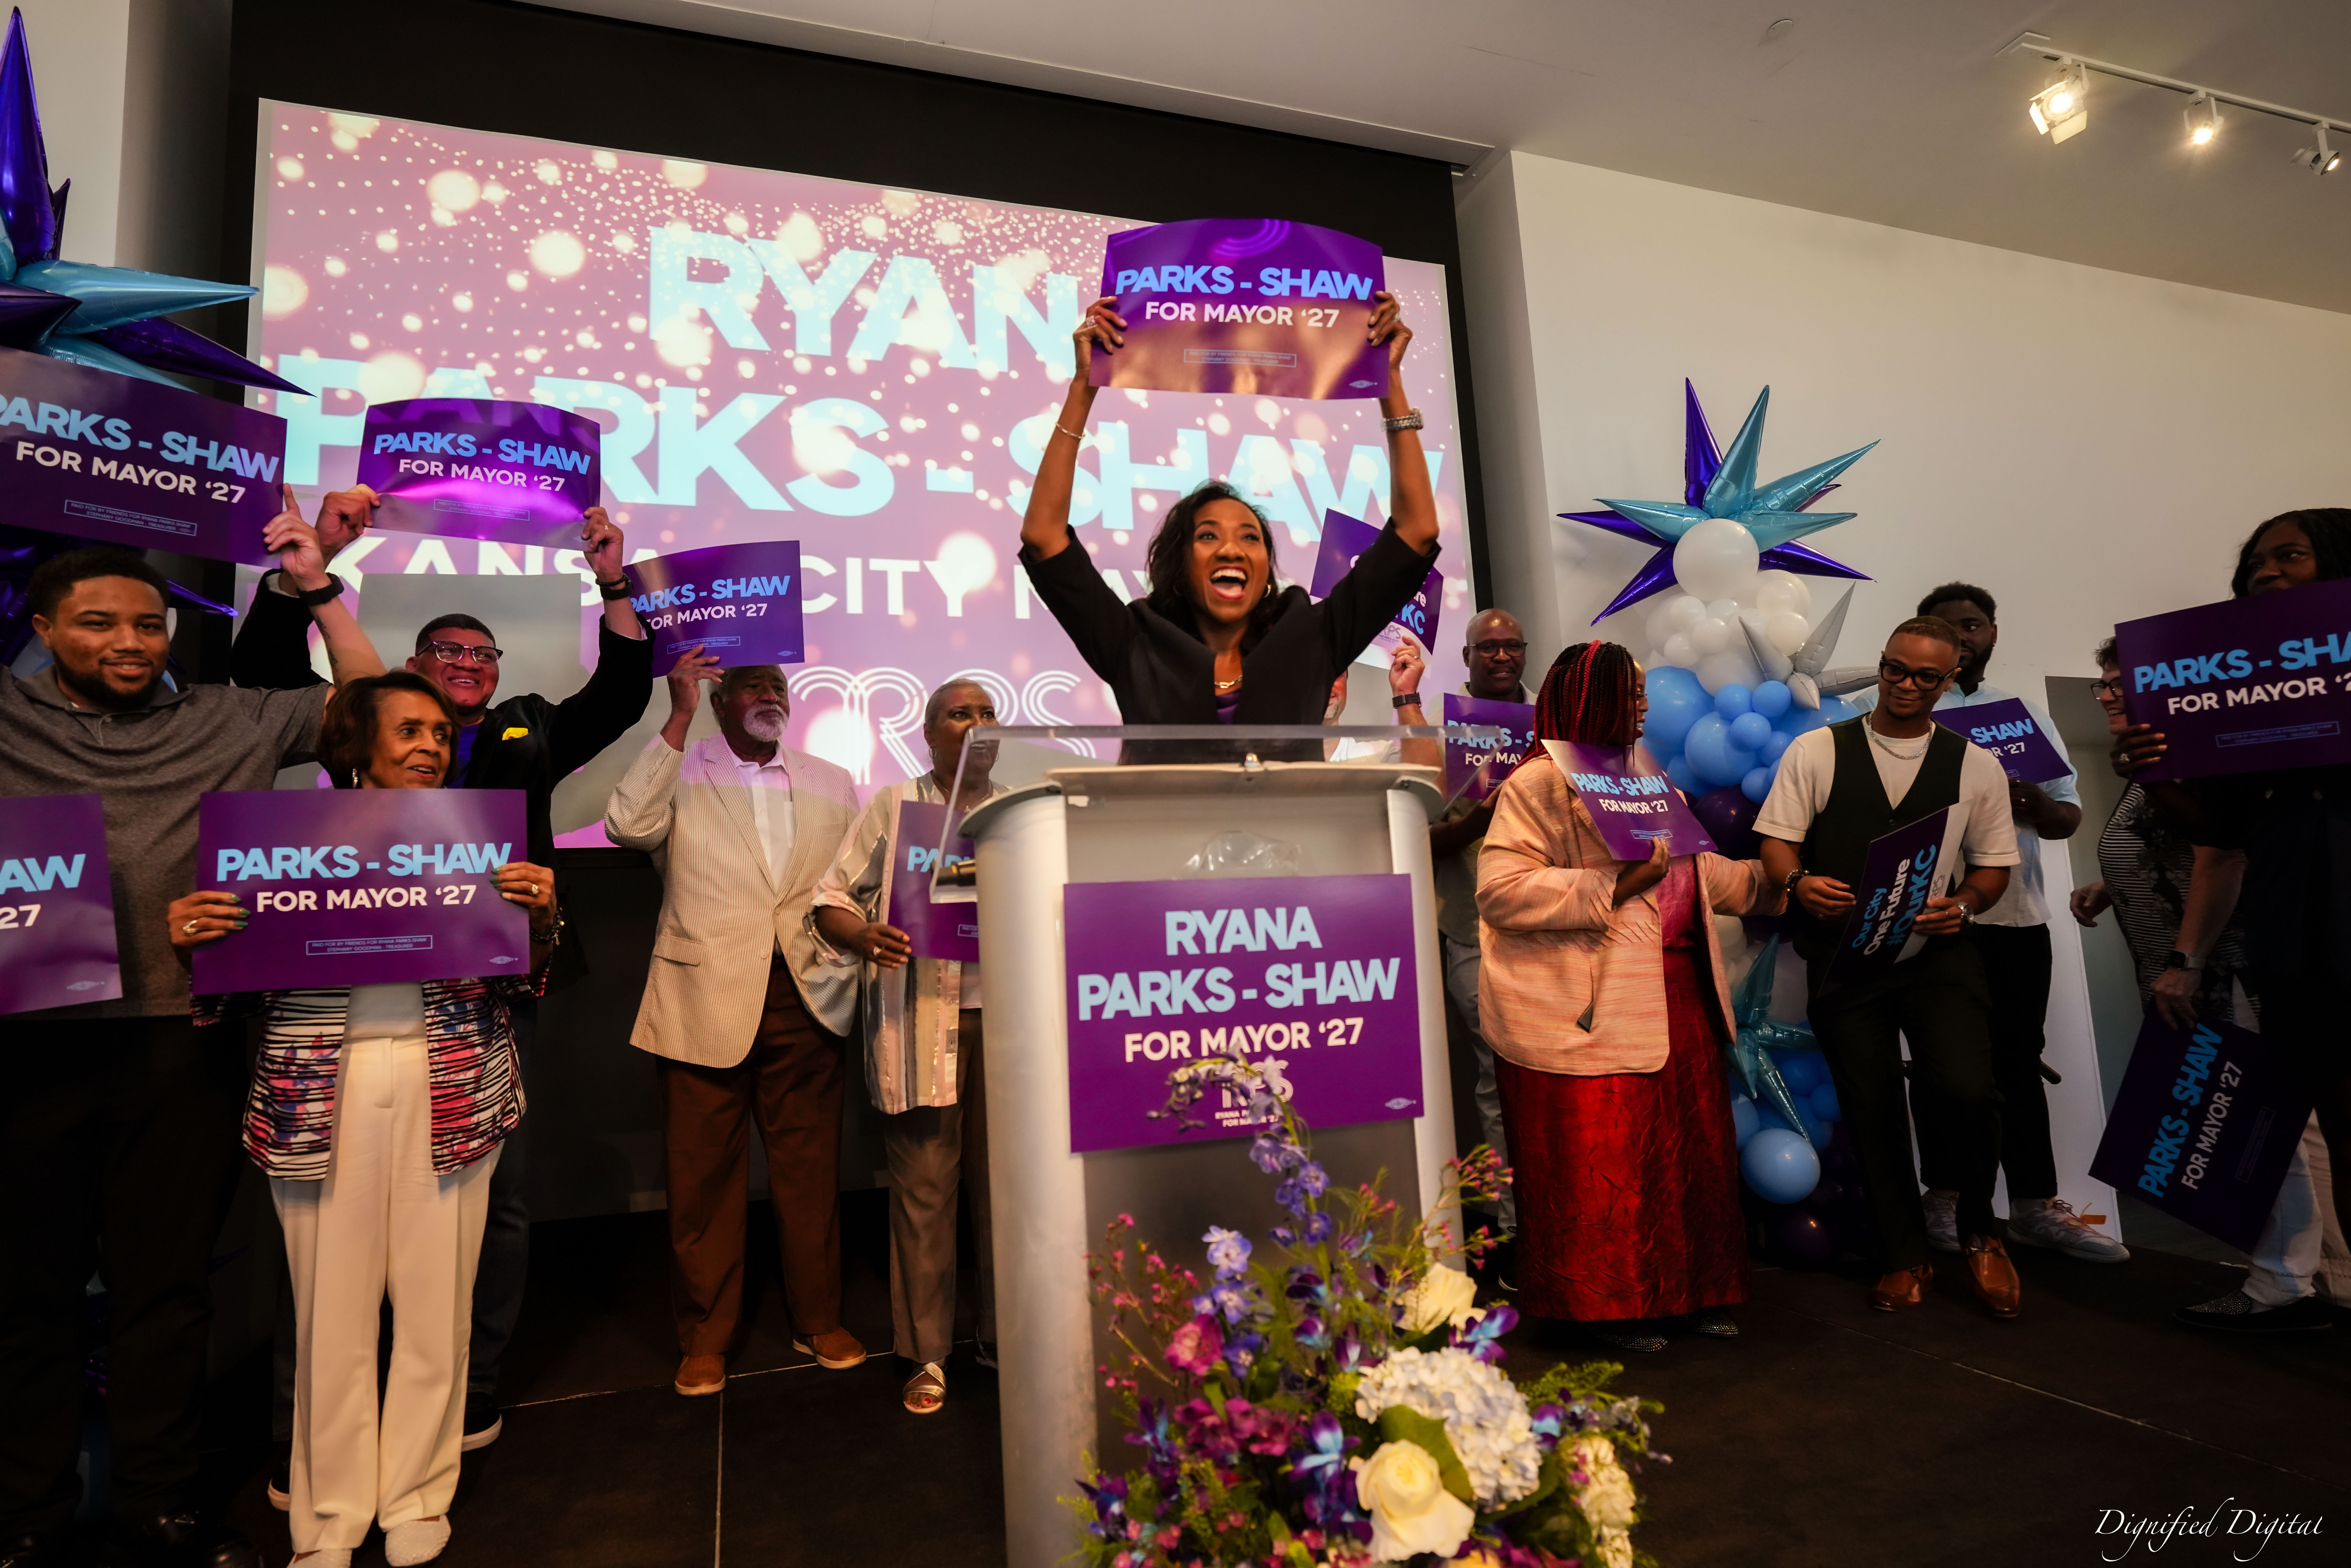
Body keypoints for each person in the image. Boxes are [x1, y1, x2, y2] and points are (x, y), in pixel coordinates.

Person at [229, 488, 653, 1450]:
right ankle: (339, 1403)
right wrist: (303, 579)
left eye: (482, 656)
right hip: (343, 1003)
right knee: (340, 1206)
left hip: (487, 1000)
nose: (466, 668)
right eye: (446, 654)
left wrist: (613, 580)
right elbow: (259, 671)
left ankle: (471, 1387)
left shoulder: (529, 729)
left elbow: (623, 692)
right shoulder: (358, 723)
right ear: (410, 672)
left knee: (489, 1196)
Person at [0, 503, 382, 1568]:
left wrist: (315, 582)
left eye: (148, 623)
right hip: (33, 1045)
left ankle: (158, 1506)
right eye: (97, 623)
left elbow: (369, 703)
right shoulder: (6, 716)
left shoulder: (231, 718)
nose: (128, 642)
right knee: (27, 1293)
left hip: (185, 1041)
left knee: (165, 1292)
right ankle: (25, 1512)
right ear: (41, 626)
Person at [168, 674, 557, 1568]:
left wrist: (537, 916)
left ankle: (419, 1494)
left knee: (437, 1308)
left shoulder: (474, 839)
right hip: (317, 1094)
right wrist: (199, 944)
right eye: (410, 729)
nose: (432, 744)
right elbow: (229, 1000)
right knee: (328, 1316)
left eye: (439, 732)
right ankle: (329, 1516)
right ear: (357, 746)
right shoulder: (277, 843)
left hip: (453, 1089)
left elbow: (522, 979)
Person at [1474, 642, 1776, 1351]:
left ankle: (1693, 1291)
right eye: (1631, 691)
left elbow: (1693, 875)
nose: (1643, 703)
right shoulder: (1540, 784)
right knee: (1604, 1160)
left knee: (1686, 1153)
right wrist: (1615, 886)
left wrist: (1779, 885)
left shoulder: (1645, 774)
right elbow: (1499, 891)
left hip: (1676, 991)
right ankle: (1612, 1311)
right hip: (1588, 1005)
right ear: (1595, 697)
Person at [2107, 509, 2351, 1330]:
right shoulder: (2250, 715)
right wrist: (2162, 771)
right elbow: (2218, 836)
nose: (2266, 573)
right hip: (2296, 952)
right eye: (2254, 564)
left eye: (2291, 556)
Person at [604, 656, 863, 1397]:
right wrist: (677, 716)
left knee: (811, 1174)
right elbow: (626, 825)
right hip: (701, 999)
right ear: (720, 701)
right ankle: (707, 1336)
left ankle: (817, 1320)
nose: (768, 695)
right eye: (750, 685)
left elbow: (850, 883)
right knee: (702, 1181)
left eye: (776, 686)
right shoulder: (682, 764)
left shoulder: (831, 778)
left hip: (805, 1001)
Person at [1756, 616, 2025, 1319]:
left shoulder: (1976, 765)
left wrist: (1965, 905)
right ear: (1881, 665)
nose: (1905, 685)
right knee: (1871, 1109)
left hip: (1940, 958)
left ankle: (1978, 1231)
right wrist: (1796, 885)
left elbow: (1994, 868)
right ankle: (1904, 1255)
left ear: (1949, 680)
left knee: (1969, 1091)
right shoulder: (1817, 750)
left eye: (1924, 677)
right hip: (1846, 962)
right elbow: (1777, 847)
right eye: (1894, 669)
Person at [1017, 293, 1440, 731]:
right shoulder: (1135, 641)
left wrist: (1389, 383)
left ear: (1266, 570)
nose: (1232, 549)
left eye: (1250, 537)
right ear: (1180, 564)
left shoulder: (1313, 635)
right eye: (1208, 536)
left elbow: (1417, 531)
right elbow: (1045, 538)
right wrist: (1084, 385)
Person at [1848, 584, 2117, 1263]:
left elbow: (2065, 820)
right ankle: (1944, 1202)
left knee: (2017, 1066)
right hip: (1929, 920)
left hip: (2016, 918)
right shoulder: (1883, 716)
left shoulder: (2022, 715)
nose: (1963, 637)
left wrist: (2026, 800)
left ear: (1992, 633)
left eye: (1973, 625)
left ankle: (2033, 1207)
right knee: (1942, 1071)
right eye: (1948, 627)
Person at [810, 680, 1004, 1415]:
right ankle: (928, 1352)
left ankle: (999, 1339)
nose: (977, 724)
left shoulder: (1026, 814)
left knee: (1006, 1196)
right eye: (961, 713)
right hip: (923, 1024)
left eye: (988, 714)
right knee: (925, 1191)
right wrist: (864, 934)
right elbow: (830, 899)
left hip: (1015, 1031)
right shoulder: (896, 806)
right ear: (929, 735)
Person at [1421, 608, 1531, 1240]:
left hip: (1553, 927)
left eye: (1510, 646)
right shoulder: (1442, 735)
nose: (1499, 657)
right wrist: (1475, 822)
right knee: (1497, 1076)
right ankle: (1514, 1234)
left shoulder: (1557, 722)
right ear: (1465, 660)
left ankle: (1560, 1216)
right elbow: (1420, 839)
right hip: (1474, 925)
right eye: (1486, 649)